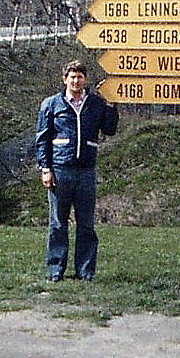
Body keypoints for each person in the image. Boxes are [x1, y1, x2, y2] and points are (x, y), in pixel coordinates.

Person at [35, 59, 119, 282]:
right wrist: (45, 169)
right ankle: (55, 269)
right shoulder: (51, 105)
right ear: (65, 80)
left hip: (86, 171)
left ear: (85, 80)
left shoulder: (95, 104)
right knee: (58, 223)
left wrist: (112, 105)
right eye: (72, 77)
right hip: (60, 170)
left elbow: (110, 130)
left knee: (86, 224)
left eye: (80, 76)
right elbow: (42, 140)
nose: (76, 80)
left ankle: (85, 271)